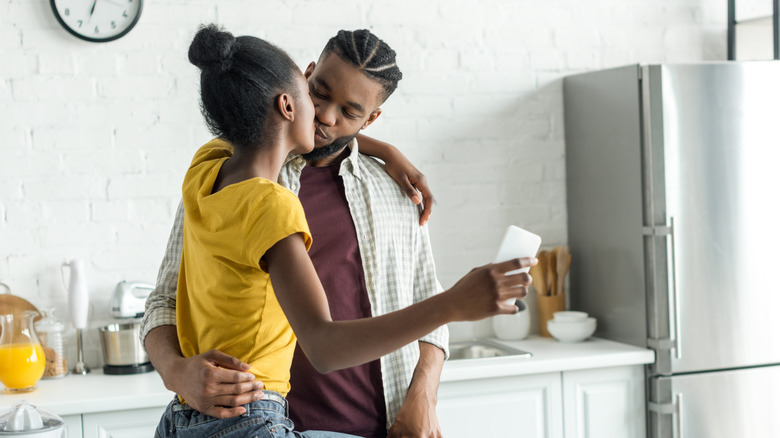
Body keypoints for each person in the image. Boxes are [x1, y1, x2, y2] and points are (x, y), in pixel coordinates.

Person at [147, 25, 535, 438]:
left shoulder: (396, 192)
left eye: (350, 111)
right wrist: (175, 371)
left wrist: (423, 397)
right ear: (304, 80)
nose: (327, 117)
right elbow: (165, 299)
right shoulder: (240, 180)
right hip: (263, 420)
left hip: (378, 425)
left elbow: (427, 303)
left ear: (372, 118)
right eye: (320, 93)